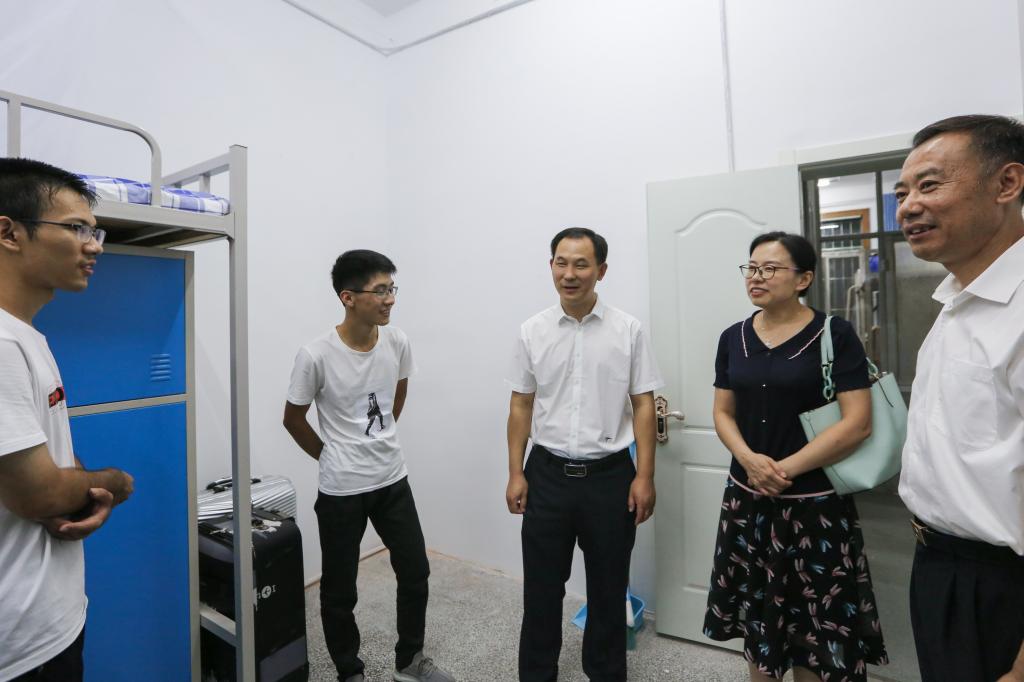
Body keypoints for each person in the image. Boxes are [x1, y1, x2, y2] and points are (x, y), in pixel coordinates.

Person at [702, 231, 888, 681]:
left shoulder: (834, 334)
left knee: (815, 630)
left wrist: (783, 469)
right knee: (759, 621)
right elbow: (723, 412)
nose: (756, 277)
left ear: (803, 279)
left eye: (769, 268)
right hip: (749, 501)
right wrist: (749, 460)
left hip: (814, 507)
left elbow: (857, 423)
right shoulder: (733, 338)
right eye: (751, 268)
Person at [283, 249, 454, 682]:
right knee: (340, 589)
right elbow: (293, 418)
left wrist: (380, 438)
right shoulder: (315, 355)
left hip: (392, 478)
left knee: (415, 571)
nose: (390, 299)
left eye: (392, 288)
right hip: (342, 489)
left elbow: (398, 391)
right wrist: (331, 455)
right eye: (380, 291)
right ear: (348, 297)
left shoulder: (396, 341)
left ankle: (409, 662)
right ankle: (349, 670)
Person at [895, 115, 1024, 682]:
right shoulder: (955, 301)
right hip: (940, 566)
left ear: (1007, 183)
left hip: (1002, 585)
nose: (908, 207)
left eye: (929, 185)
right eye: (902, 194)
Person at [505, 227, 662, 682]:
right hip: (546, 474)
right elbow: (521, 405)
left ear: (601, 271)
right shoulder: (532, 330)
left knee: (609, 591)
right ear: (551, 266)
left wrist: (644, 476)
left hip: (610, 478)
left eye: (581, 264)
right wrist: (515, 472)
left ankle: (606, 674)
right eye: (561, 263)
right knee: (541, 591)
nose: (569, 274)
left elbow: (643, 404)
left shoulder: (627, 330)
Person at [0, 158, 134, 682]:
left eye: (94, 231)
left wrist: (80, 492)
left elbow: (47, 455)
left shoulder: (24, 334)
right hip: (19, 646)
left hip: (44, 619)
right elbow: (37, 495)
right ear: (9, 232)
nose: (94, 245)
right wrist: (113, 484)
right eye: (77, 228)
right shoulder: (3, 343)